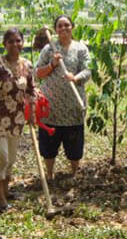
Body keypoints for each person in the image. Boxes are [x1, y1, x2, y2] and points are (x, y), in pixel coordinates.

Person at [0, 28, 36, 212]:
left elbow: (30, 91)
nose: (15, 44)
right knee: (1, 156)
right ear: (5, 44)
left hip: (16, 119)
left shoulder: (26, 65)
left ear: (23, 42)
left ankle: (5, 190)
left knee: (11, 158)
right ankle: (1, 199)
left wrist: (32, 113)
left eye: (18, 40)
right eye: (10, 41)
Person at [35, 15, 91, 180]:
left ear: (72, 27)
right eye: (60, 26)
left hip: (73, 107)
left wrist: (76, 77)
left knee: (74, 145)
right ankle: (50, 174)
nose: (64, 28)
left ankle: (74, 173)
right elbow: (38, 73)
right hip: (51, 108)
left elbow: (88, 71)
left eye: (67, 25)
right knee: (49, 145)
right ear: (56, 29)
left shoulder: (81, 49)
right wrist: (52, 64)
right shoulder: (49, 49)